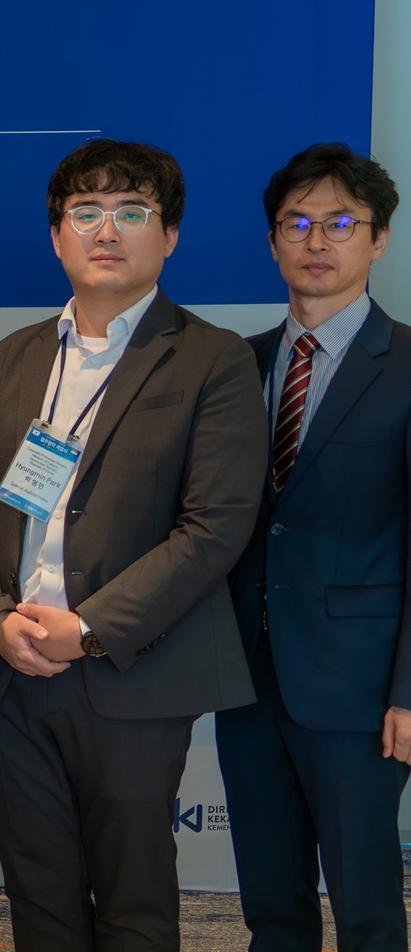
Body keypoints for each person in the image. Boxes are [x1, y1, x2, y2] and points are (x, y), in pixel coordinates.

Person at [0, 139, 268, 950]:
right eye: (84, 212)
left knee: (133, 903)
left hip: (131, 671)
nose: (106, 230)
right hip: (11, 671)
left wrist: (86, 628)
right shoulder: (13, 356)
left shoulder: (212, 359)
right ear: (56, 235)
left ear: (168, 236)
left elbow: (215, 525)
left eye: (132, 212)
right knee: (37, 893)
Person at [219, 143, 411, 951]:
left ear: (379, 240)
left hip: (361, 689)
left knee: (366, 909)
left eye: (340, 222)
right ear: (270, 242)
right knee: (270, 904)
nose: (316, 240)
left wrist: (409, 688)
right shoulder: (237, 365)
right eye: (295, 223)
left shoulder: (405, 364)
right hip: (243, 675)